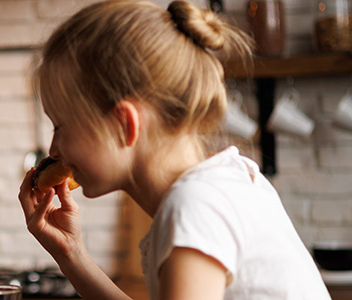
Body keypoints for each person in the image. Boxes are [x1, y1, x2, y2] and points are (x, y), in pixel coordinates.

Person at [17, 1, 331, 299]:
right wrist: (71, 255)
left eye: (60, 126)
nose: (54, 149)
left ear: (124, 124)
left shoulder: (194, 208)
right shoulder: (220, 185)